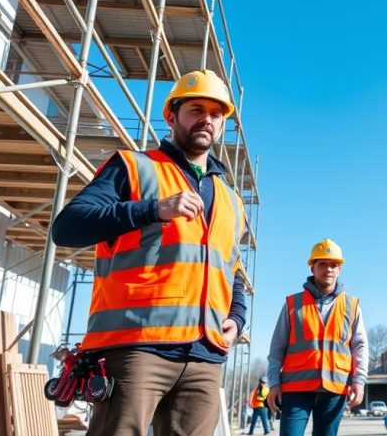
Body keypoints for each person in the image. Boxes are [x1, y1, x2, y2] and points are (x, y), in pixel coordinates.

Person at [52, 69, 248, 436]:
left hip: (205, 355)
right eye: (196, 109)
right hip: (136, 348)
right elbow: (67, 227)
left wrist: (237, 318)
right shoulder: (132, 167)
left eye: (217, 113)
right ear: (172, 117)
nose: (207, 119)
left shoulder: (231, 201)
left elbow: (231, 270)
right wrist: (151, 209)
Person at [265, 239, 368, 436]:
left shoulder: (352, 306)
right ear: (312, 267)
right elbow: (277, 348)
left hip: (334, 389)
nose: (329, 269)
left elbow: (360, 347)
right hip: (296, 389)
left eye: (334, 265)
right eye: (323, 264)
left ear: (339, 270)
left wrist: (359, 381)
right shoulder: (292, 304)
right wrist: (274, 384)